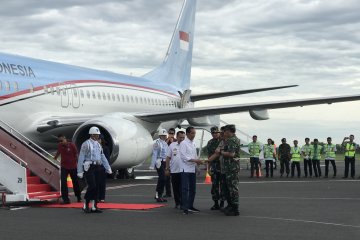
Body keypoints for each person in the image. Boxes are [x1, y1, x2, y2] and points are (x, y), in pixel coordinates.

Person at [77, 126, 112, 213]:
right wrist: (80, 171)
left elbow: (102, 156)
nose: (97, 136)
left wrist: (108, 168)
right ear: (92, 135)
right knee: (92, 186)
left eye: (98, 135)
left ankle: (94, 206)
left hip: (98, 167)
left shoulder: (98, 145)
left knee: (97, 187)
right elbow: (81, 157)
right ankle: (86, 204)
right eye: (96, 135)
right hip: (89, 167)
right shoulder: (86, 144)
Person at [179, 126, 203, 214]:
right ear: (188, 133)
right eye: (192, 133)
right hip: (185, 169)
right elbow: (183, 157)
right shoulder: (183, 143)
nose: (194, 135)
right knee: (185, 189)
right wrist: (195, 161)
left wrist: (197, 167)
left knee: (193, 189)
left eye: (195, 133)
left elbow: (195, 156)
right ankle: (184, 207)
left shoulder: (193, 144)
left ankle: (190, 206)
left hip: (192, 169)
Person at [54, 134, 82, 204]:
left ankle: (78, 196)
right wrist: (55, 158)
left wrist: (78, 164)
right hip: (64, 167)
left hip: (73, 166)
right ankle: (65, 199)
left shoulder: (72, 145)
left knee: (75, 182)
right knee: (63, 183)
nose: (60, 142)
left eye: (61, 140)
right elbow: (58, 153)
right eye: (59, 141)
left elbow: (76, 154)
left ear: (65, 138)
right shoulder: (60, 146)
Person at [220, 124, 241, 216]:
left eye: (225, 131)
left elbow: (231, 154)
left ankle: (235, 208)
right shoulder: (230, 140)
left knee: (232, 188)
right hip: (229, 168)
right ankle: (230, 205)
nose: (224, 133)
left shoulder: (232, 140)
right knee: (227, 188)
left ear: (229, 131)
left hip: (231, 168)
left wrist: (221, 152)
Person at [165, 131, 185, 209]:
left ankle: (183, 202)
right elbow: (168, 157)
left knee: (183, 188)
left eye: (183, 137)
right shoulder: (172, 145)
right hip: (174, 170)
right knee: (175, 188)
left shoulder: (186, 145)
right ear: (177, 137)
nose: (182, 139)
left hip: (184, 170)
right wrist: (167, 169)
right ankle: (177, 203)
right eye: (180, 137)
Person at [150, 129, 169, 202]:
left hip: (164, 162)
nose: (164, 136)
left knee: (164, 179)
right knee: (162, 178)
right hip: (159, 162)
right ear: (160, 135)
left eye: (165, 135)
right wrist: (152, 164)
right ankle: (158, 195)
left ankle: (160, 195)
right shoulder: (157, 143)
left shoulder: (165, 143)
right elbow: (154, 154)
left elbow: (167, 154)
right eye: (162, 135)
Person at [206, 126, 222, 210]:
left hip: (223, 166)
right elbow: (209, 155)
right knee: (215, 185)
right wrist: (208, 168)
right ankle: (216, 203)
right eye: (213, 133)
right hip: (214, 166)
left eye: (216, 132)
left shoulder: (223, 141)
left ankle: (222, 203)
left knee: (223, 185)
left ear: (219, 132)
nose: (215, 134)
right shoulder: (210, 142)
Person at [164, 128, 177, 198]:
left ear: (174, 134)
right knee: (167, 179)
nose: (171, 134)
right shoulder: (165, 141)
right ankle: (168, 192)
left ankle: (176, 193)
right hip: (167, 162)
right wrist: (168, 140)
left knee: (174, 179)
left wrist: (172, 142)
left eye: (172, 133)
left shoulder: (176, 141)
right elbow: (163, 148)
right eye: (170, 133)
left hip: (174, 162)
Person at [97, 135, 110, 202]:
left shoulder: (105, 148)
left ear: (102, 140)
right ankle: (97, 197)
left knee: (102, 183)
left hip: (102, 168)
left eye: (99, 139)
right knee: (96, 183)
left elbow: (107, 159)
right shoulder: (94, 148)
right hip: (95, 168)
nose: (97, 141)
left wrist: (107, 168)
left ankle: (102, 198)